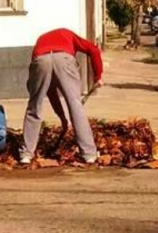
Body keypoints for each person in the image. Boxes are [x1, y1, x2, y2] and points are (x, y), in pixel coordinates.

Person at [20, 28, 103, 165]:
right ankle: (89, 154)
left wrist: (63, 118)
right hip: (64, 59)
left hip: (40, 60)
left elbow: (50, 93)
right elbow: (93, 49)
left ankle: (26, 155)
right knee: (75, 105)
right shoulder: (68, 34)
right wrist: (98, 76)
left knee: (34, 106)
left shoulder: (41, 39)